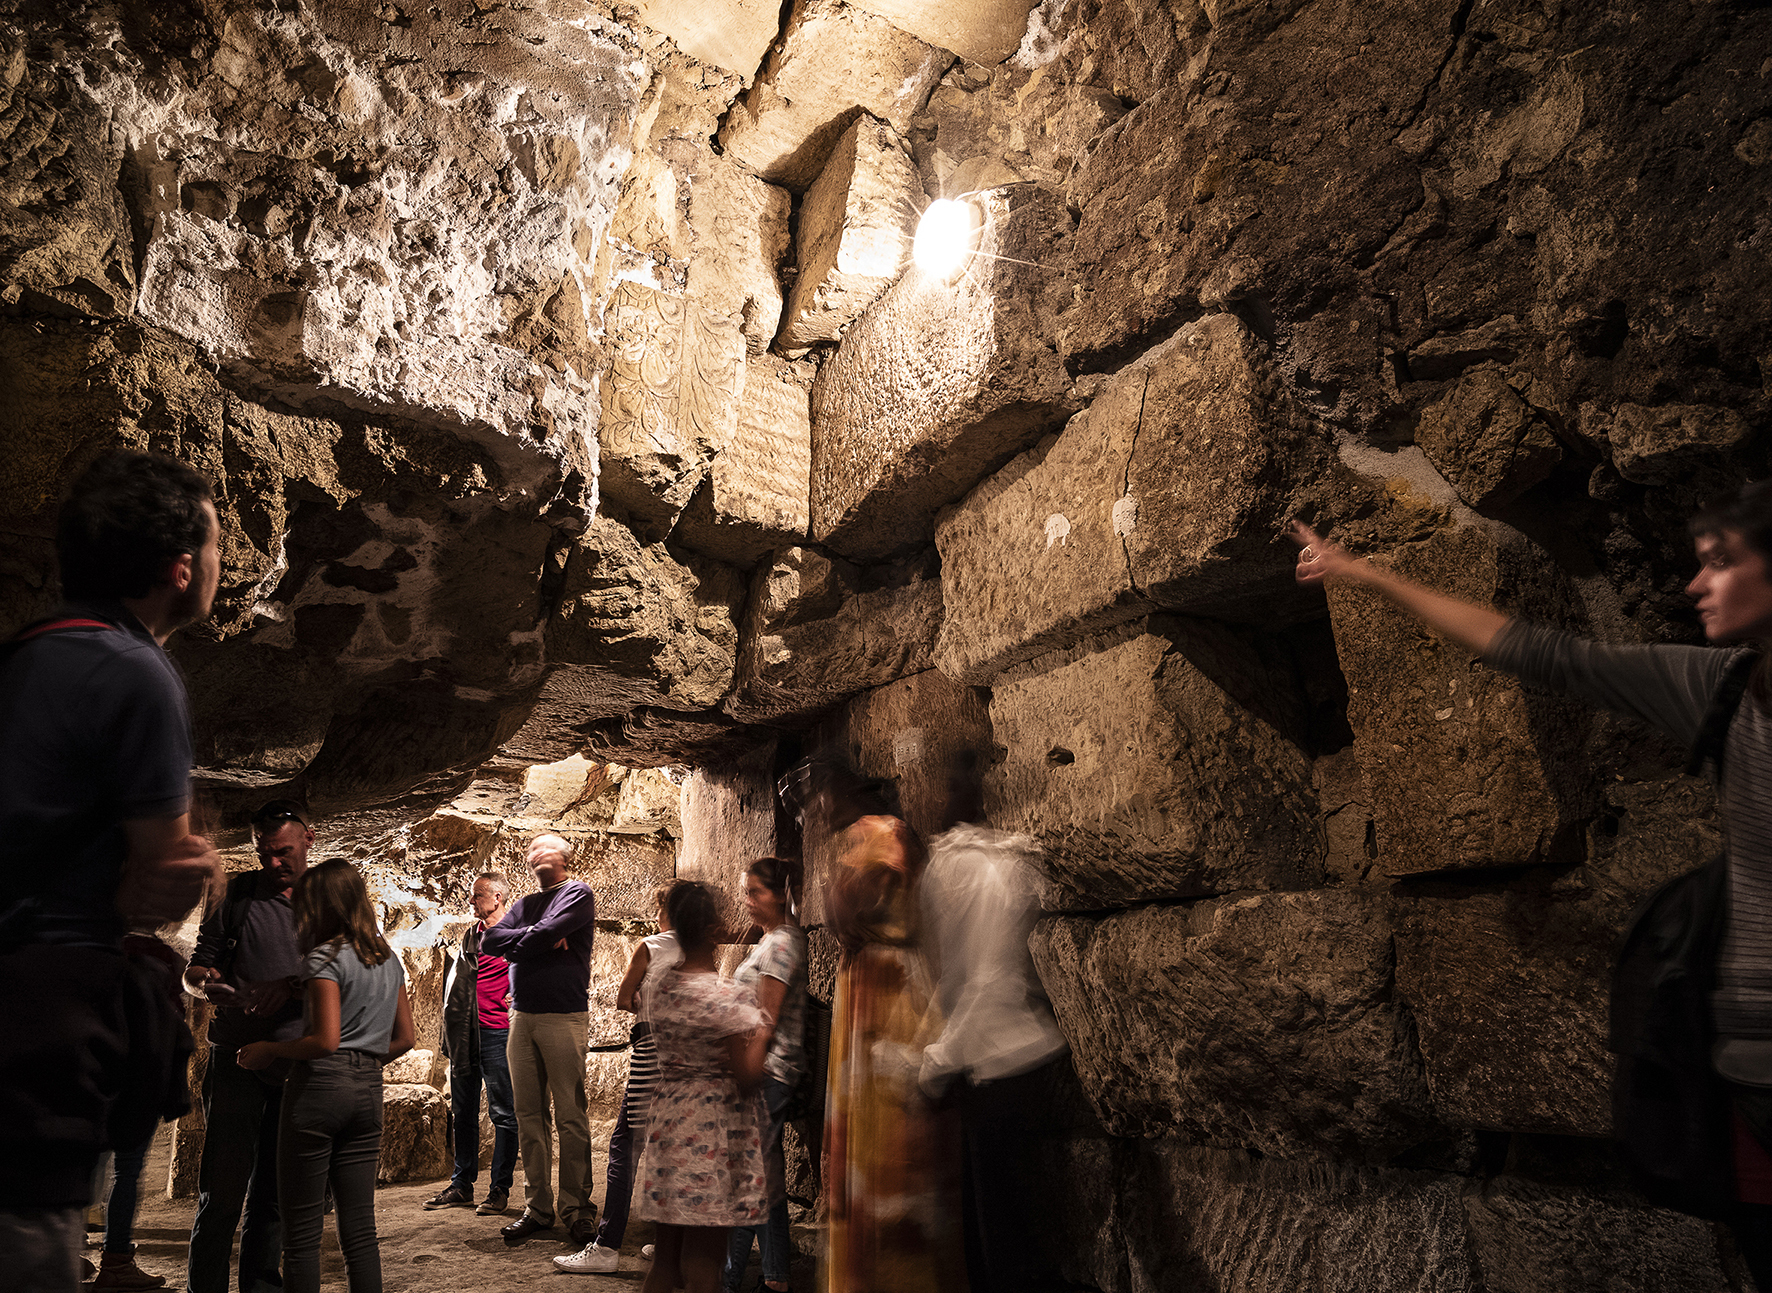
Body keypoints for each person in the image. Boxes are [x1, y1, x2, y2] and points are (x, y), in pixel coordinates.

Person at [1289, 487, 1772, 1284]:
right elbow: (1538, 652)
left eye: (1722, 563)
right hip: (1750, 1085)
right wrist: (1366, 576)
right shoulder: (1722, 691)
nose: (1695, 586)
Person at [0, 450, 222, 1293]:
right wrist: (190, 862)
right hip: (44, 1016)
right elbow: (157, 882)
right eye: (213, 543)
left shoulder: (26, 653)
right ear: (177, 568)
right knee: (32, 1243)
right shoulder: (136, 673)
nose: (218, 561)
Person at [918, 762, 1072, 1293]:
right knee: (1001, 1224)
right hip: (1009, 1055)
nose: (932, 801)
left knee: (999, 1230)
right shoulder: (989, 860)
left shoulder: (972, 866)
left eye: (945, 786)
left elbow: (985, 978)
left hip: (999, 1061)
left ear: (969, 795)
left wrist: (938, 1059)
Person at [238, 860, 414, 1293]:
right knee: (359, 1231)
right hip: (368, 1090)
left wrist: (269, 1050)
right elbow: (406, 1038)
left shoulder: (324, 958)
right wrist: (366, 1059)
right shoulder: (387, 959)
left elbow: (324, 1041)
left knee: (300, 1236)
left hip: (319, 1090)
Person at [822, 802, 962, 1293]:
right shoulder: (867, 959)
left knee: (892, 1173)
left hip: (890, 1024)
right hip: (876, 1019)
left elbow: (848, 904)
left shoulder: (883, 835)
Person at [183, 799, 316, 1293]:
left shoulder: (327, 900)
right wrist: (203, 982)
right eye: (264, 851)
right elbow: (199, 964)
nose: (273, 863)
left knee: (274, 1194)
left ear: (309, 840)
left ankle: (261, 1286)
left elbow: (347, 969)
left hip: (294, 1060)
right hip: (235, 1056)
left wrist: (292, 985)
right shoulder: (233, 893)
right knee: (221, 1189)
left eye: (283, 852)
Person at [634, 880, 771, 1293]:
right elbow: (747, 1076)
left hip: (670, 1118)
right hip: (712, 1128)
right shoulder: (727, 997)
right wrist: (765, 1029)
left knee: (664, 1260)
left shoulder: (658, 984)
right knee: (703, 1262)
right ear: (715, 929)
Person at [480, 832, 599, 1247]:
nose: (536, 852)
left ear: (564, 856)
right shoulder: (525, 904)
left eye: (544, 846)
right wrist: (541, 939)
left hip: (563, 1017)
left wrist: (524, 942)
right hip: (521, 1018)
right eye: (531, 849)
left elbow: (520, 938)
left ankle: (577, 1209)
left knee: (570, 1115)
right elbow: (490, 940)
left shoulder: (577, 893)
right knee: (529, 1116)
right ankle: (538, 1207)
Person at [556, 886, 681, 1274]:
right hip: (683, 1062)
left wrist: (645, 997)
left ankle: (607, 1245)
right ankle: (670, 1248)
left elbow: (623, 999)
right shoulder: (698, 952)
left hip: (649, 1057)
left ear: (665, 912)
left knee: (624, 1147)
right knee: (671, 1152)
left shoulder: (651, 945)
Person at [720, 858, 808, 1293]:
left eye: (756, 892)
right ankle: (760, 1277)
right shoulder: (770, 939)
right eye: (746, 891)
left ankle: (750, 1277)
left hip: (769, 1071)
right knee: (758, 1177)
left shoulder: (784, 944)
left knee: (753, 1179)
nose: (748, 901)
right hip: (762, 1069)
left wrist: (748, 1073)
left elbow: (767, 1020)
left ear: (781, 894)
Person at [425, 872, 519, 1217]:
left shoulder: (515, 935)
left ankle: (499, 1190)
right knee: (462, 1112)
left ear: (497, 897)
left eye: (477, 896)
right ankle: (462, 1185)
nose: (471, 901)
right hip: (465, 1034)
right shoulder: (471, 936)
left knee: (504, 1114)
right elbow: (458, 990)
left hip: (497, 1034)